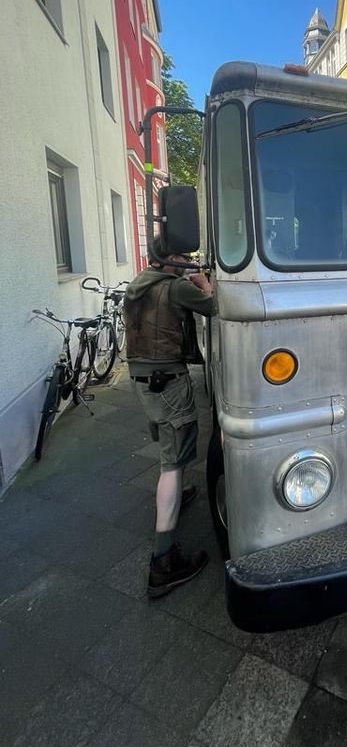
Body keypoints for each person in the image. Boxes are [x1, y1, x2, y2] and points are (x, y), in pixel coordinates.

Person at [124, 238, 216, 598]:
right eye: (183, 257)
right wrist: (205, 285)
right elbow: (220, 307)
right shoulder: (177, 288)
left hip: (142, 379)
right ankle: (163, 562)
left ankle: (178, 492)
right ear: (168, 258)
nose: (188, 262)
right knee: (172, 464)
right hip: (168, 381)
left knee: (167, 443)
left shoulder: (140, 281)